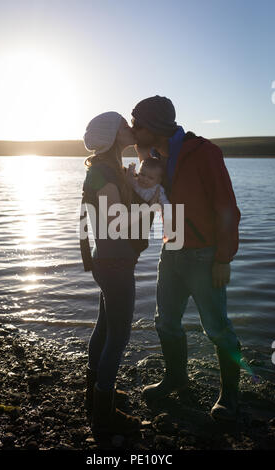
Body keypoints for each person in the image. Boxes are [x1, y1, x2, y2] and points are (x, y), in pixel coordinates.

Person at [131, 95, 242, 421]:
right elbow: (153, 203)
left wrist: (223, 258)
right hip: (172, 251)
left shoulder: (205, 153)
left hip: (206, 256)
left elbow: (227, 208)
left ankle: (230, 396)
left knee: (217, 329)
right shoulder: (153, 157)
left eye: (137, 123)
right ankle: (176, 378)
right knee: (165, 322)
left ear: (154, 125)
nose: (133, 129)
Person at [81, 111, 156, 440]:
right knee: (119, 336)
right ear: (113, 135)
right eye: (124, 125)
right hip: (114, 265)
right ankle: (103, 414)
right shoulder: (106, 174)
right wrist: (148, 202)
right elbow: (115, 224)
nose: (130, 128)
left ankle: (95, 389)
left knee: (105, 325)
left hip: (106, 261)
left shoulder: (105, 169)